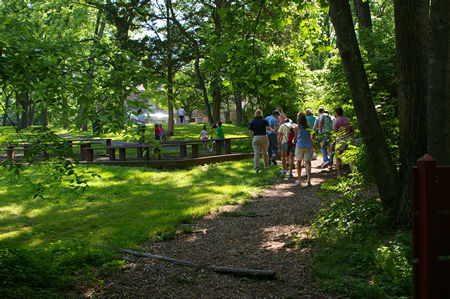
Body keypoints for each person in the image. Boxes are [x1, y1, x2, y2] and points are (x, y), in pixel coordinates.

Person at [249, 109, 273, 173]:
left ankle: (256, 169)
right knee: (265, 152)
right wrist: (272, 130)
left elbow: (250, 131)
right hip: (264, 137)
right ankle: (266, 167)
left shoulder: (252, 121)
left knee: (256, 154)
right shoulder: (265, 120)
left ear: (255, 114)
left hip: (256, 138)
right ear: (261, 113)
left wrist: (253, 137)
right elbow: (268, 128)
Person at [334, 107, 354, 177]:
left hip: (340, 140)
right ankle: (354, 173)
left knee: (338, 157)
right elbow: (352, 129)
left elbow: (335, 131)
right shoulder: (348, 120)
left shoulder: (336, 121)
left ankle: (339, 174)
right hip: (349, 138)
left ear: (336, 113)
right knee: (350, 156)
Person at [294, 112, 313, 186]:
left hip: (300, 145)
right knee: (308, 162)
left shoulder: (297, 127)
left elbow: (295, 135)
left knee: (299, 162)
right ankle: (308, 180)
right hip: (308, 145)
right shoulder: (309, 126)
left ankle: (299, 180)